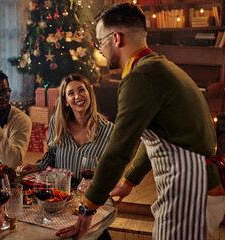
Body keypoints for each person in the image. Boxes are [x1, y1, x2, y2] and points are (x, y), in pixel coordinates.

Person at [56, 3, 223, 240]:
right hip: (194, 187)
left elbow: (118, 150)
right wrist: (129, 180)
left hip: (190, 191)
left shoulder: (140, 77)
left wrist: (88, 206)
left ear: (115, 38)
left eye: (99, 41)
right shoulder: (157, 66)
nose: (100, 49)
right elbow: (154, 134)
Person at [17, 74, 114, 180]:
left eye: (81, 90)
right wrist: (37, 166)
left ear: (89, 93)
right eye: (71, 93)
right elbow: (51, 156)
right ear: (66, 101)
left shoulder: (109, 130)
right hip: (61, 194)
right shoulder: (56, 122)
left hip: (91, 193)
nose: (77, 96)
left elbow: (112, 169)